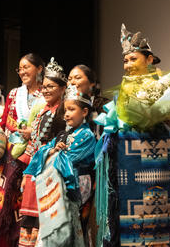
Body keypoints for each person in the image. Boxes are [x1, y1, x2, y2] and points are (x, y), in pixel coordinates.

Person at [96, 24, 170, 247]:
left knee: (158, 208)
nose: (128, 64)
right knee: (125, 211)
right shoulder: (124, 87)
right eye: (125, 60)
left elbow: (167, 123)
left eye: (133, 59)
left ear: (149, 59)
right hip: (126, 161)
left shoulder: (161, 85)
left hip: (154, 159)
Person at [23, 85, 96, 247]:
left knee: (69, 226)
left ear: (84, 112)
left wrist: (53, 152)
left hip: (74, 186)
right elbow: (44, 151)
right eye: (65, 110)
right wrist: (52, 151)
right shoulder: (64, 134)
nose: (67, 114)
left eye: (72, 109)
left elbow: (67, 159)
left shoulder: (87, 135)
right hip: (57, 186)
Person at [0, 53, 45, 247]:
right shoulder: (13, 94)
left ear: (40, 69)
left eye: (27, 67)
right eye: (20, 68)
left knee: (23, 204)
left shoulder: (46, 93)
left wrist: (33, 133)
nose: (22, 72)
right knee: (3, 204)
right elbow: (3, 123)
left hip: (32, 156)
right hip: (8, 157)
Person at [19, 58, 67, 247]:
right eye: (44, 86)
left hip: (51, 168)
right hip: (36, 168)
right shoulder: (42, 112)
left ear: (63, 89)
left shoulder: (64, 112)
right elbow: (34, 142)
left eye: (51, 86)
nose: (46, 90)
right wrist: (28, 172)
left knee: (46, 216)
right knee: (29, 218)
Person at [67, 64, 110, 244]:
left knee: (89, 222)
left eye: (77, 78)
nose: (72, 82)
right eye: (70, 79)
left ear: (91, 83)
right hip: (73, 173)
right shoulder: (69, 106)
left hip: (96, 171)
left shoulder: (104, 106)